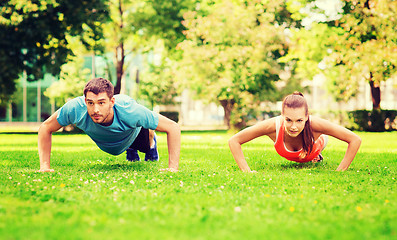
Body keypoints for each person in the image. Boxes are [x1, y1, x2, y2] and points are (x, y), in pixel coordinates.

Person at [38, 77, 181, 172]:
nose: (95, 110)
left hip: (133, 132)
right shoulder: (75, 108)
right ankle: (131, 148)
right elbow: (45, 127)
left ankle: (150, 144)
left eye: (101, 102)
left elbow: (172, 127)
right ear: (85, 101)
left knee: (148, 126)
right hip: (111, 140)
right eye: (90, 103)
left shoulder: (130, 110)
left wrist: (173, 168)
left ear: (111, 102)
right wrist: (44, 166)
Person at [228, 92, 361, 172]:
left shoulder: (316, 124)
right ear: (282, 115)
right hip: (301, 147)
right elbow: (234, 141)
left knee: (313, 147)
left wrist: (340, 171)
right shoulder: (272, 126)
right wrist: (246, 171)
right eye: (288, 120)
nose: (293, 126)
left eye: (299, 120)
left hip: (318, 142)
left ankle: (316, 155)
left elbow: (355, 139)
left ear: (307, 117)